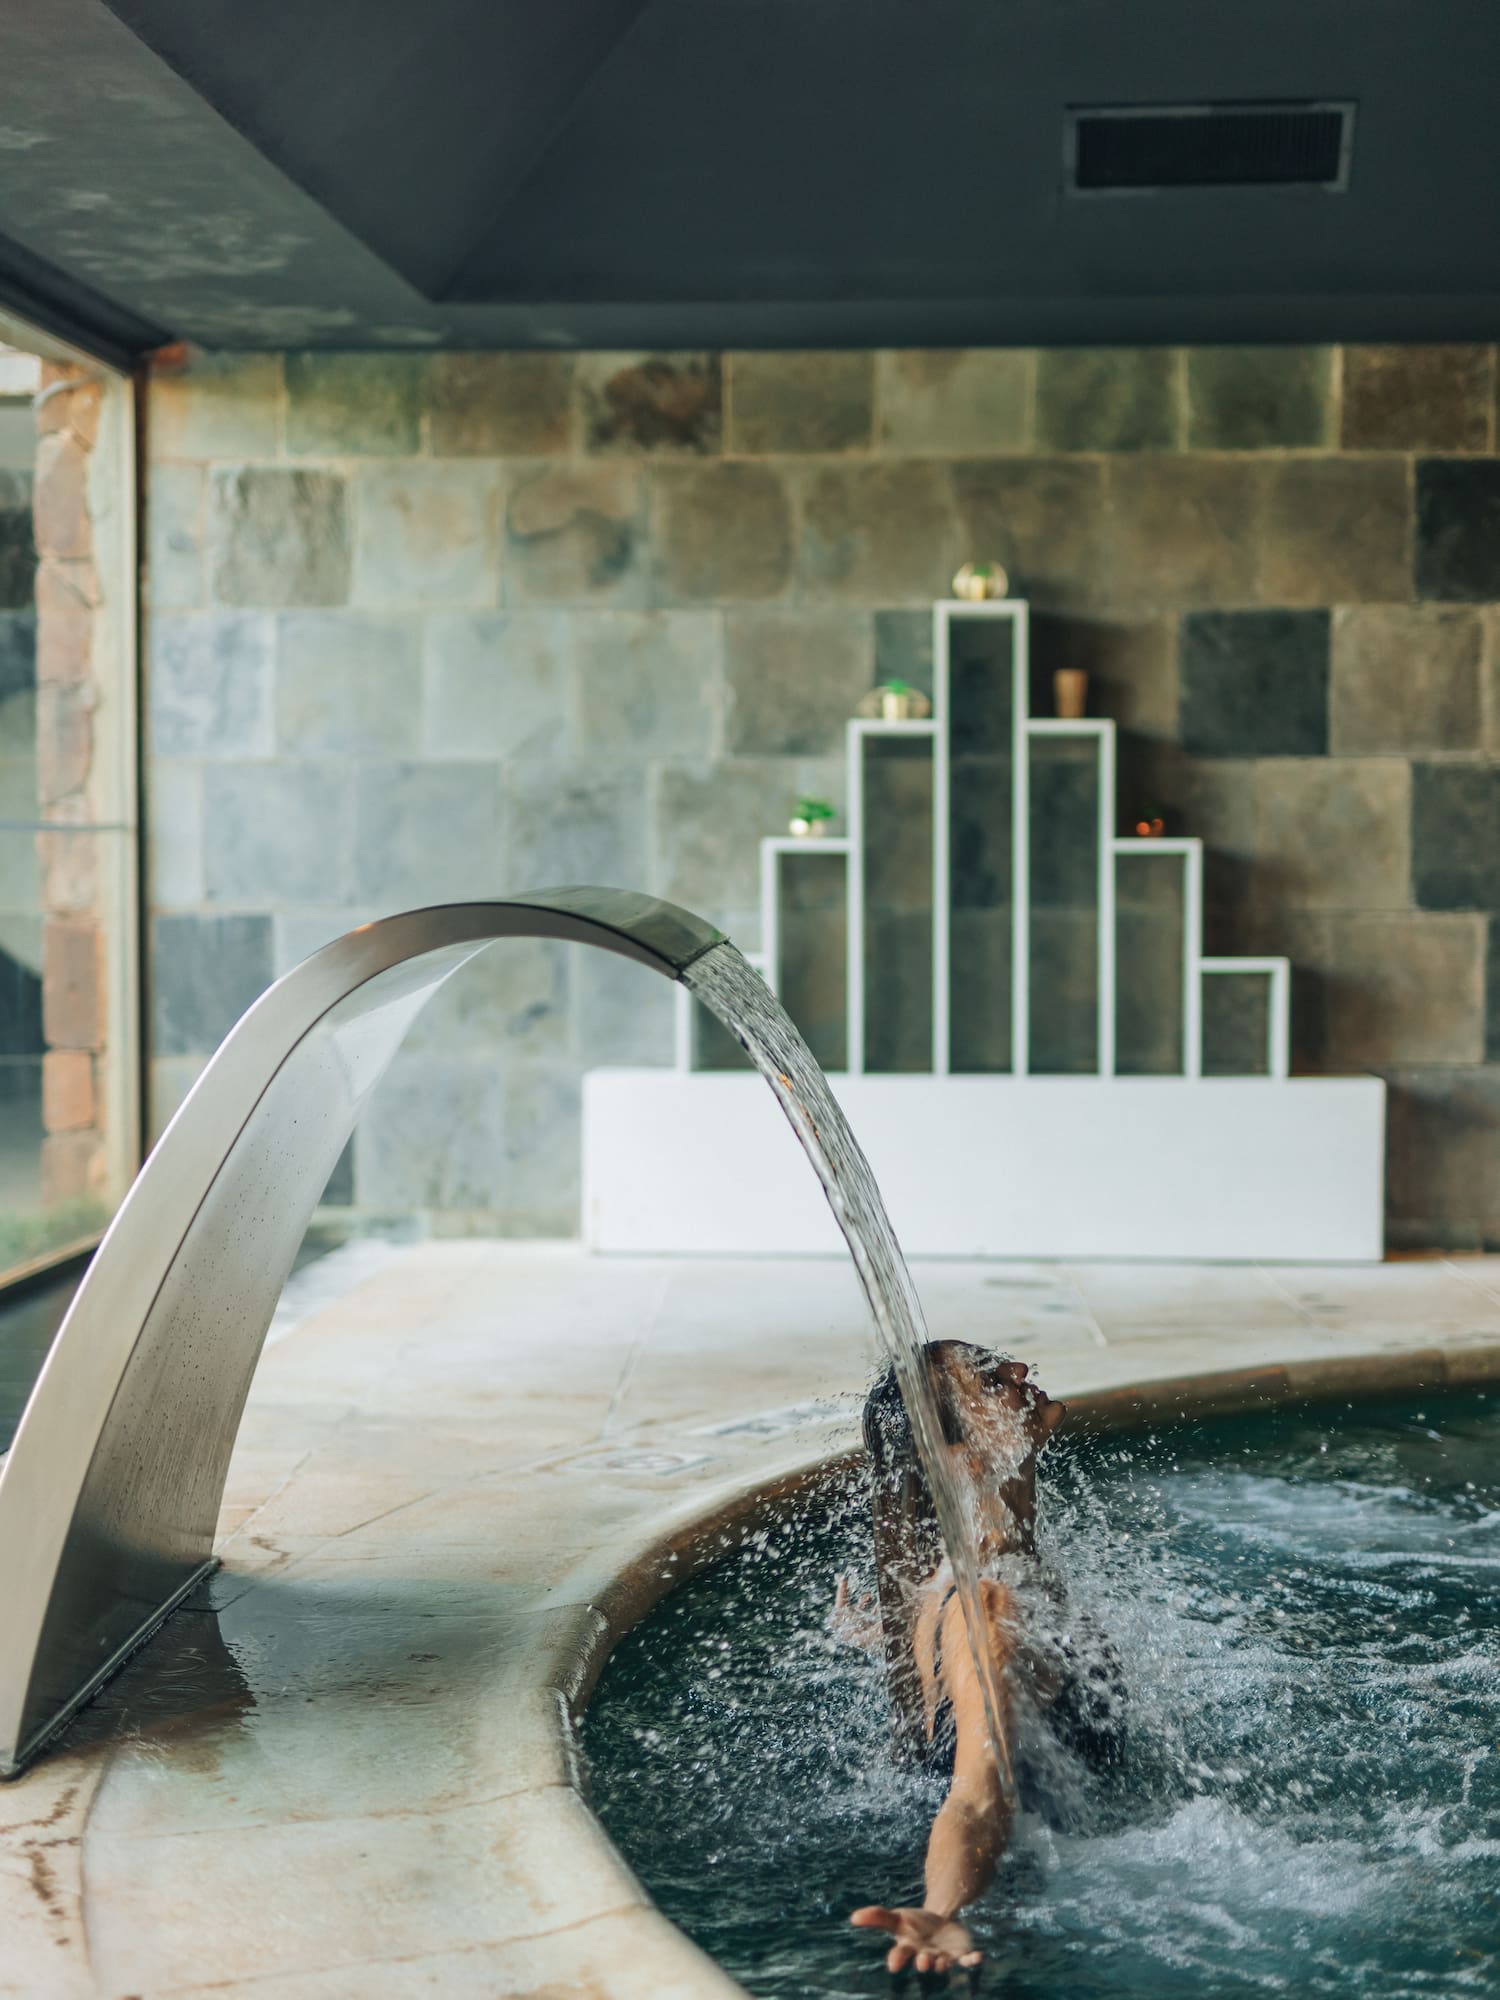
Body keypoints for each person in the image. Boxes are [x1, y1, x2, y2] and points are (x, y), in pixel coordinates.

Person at [834, 1341, 1123, 1977]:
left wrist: (889, 1636)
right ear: (960, 1462)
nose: (1020, 1371)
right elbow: (974, 1796)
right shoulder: (986, 1608)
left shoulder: (980, 1574)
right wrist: (940, 1908)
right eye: (991, 1381)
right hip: (1025, 1916)